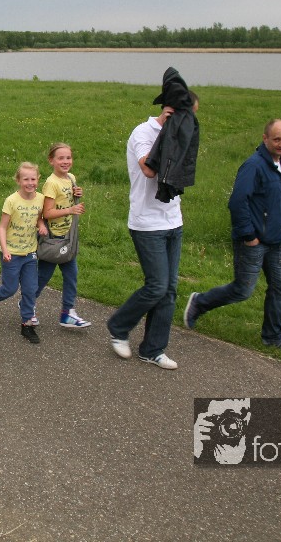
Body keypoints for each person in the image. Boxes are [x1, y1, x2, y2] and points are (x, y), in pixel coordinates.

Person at [184, 119, 281, 353]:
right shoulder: (253, 166)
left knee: (280, 288)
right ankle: (199, 302)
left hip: (276, 241)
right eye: (277, 139)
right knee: (243, 290)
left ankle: (273, 336)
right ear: (265, 138)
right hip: (253, 241)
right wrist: (249, 236)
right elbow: (237, 202)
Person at [106, 84, 199, 370]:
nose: (191, 122)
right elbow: (148, 169)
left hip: (173, 220)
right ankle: (119, 327)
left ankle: (153, 349)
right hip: (147, 223)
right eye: (187, 115)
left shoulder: (182, 135)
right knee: (157, 285)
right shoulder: (143, 133)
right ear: (170, 111)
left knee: (169, 289)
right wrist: (167, 133)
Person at [0, 162, 48, 343]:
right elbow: (2, 227)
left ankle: (27, 324)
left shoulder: (41, 199)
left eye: (33, 179)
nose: (30, 183)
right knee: (10, 288)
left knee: (30, 289)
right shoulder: (12, 201)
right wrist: (4, 250)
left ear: (38, 179)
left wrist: (41, 225)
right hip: (11, 253)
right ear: (18, 180)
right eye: (26, 179)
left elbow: (39, 218)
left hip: (30, 253)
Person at [34, 142, 92, 329]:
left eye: (68, 157)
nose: (66, 161)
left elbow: (67, 199)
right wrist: (70, 210)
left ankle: (67, 313)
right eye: (61, 158)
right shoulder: (51, 183)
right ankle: (27, 303)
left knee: (71, 275)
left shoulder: (71, 178)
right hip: (54, 238)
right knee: (43, 277)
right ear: (51, 161)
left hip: (67, 237)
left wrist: (77, 194)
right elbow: (47, 213)